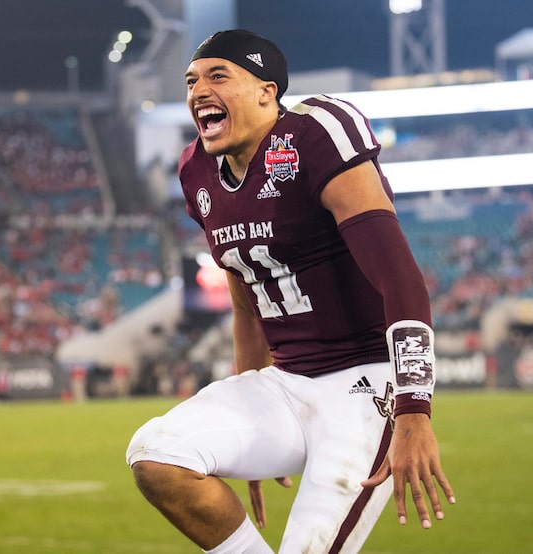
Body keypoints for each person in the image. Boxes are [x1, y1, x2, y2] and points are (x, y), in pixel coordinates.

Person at [126, 29, 455, 553]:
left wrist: (415, 410)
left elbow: (400, 276)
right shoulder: (196, 169)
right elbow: (244, 299)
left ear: (266, 90)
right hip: (286, 381)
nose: (197, 90)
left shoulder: (316, 132)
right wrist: (245, 409)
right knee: (156, 454)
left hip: (365, 385)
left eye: (217, 76)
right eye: (191, 80)